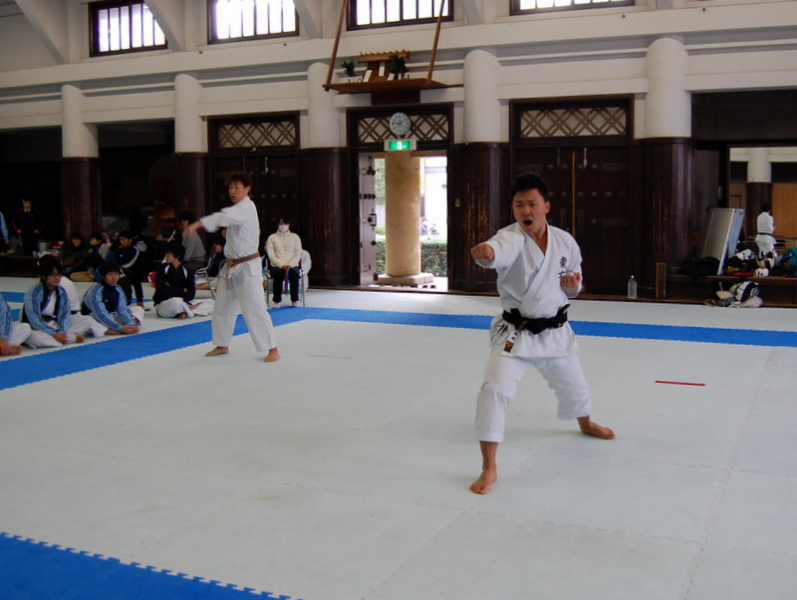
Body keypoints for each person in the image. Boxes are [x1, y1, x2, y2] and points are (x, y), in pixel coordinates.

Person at [468, 172, 615, 495]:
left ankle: (586, 423)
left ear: (546, 206)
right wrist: (487, 253)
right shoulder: (509, 238)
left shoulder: (565, 241)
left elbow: (574, 283)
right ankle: (489, 467)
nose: (526, 211)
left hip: (554, 331)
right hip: (516, 332)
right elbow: (497, 251)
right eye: (519, 205)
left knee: (574, 385)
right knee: (494, 390)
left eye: (532, 204)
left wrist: (573, 286)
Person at [184, 170, 279, 363]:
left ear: (247, 189)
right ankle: (222, 344)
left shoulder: (246, 207)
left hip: (247, 268)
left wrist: (197, 224)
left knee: (254, 308)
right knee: (222, 307)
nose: (232, 191)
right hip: (231, 267)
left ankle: (273, 348)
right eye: (230, 188)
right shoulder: (238, 211)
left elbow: (224, 216)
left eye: (237, 187)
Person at [22, 257, 105, 348]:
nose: (57, 278)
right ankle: (69, 339)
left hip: (54, 324)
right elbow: (34, 320)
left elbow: (64, 314)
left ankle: (62, 337)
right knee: (34, 337)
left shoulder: (61, 291)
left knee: (86, 320)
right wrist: (54, 334)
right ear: (43, 276)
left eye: (59, 275)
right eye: (53, 275)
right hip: (37, 327)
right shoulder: (34, 293)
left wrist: (62, 331)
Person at [81, 261, 143, 335]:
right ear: (103, 277)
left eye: (116, 274)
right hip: (95, 316)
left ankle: (124, 327)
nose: (114, 278)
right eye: (110, 275)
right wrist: (119, 328)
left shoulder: (118, 289)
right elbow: (100, 313)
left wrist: (130, 324)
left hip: (111, 315)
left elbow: (122, 309)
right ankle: (110, 329)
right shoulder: (96, 291)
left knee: (138, 309)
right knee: (88, 323)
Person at [153, 244, 213, 319]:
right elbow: (162, 289)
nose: (166, 256)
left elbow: (191, 294)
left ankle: (184, 311)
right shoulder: (162, 268)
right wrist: (182, 290)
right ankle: (188, 311)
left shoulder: (187, 271)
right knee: (176, 302)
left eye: (168, 254)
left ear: (177, 256)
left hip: (183, 302)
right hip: (164, 304)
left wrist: (172, 290)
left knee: (211, 302)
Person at [265, 216, 302, 307]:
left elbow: (297, 253)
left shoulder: (295, 237)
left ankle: (295, 299)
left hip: (292, 265)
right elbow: (271, 254)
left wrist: (290, 264)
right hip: (277, 265)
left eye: (285, 224)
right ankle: (277, 300)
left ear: (289, 225)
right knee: (278, 273)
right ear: (278, 224)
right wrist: (281, 264)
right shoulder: (272, 238)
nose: (283, 226)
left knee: (294, 273)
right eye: (281, 224)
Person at [114, 230, 146, 310]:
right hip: (120, 272)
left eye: (123, 240)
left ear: (130, 240)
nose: (121, 242)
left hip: (133, 272)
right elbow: (116, 261)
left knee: (136, 281)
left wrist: (121, 269)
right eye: (120, 240)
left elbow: (131, 262)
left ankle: (139, 301)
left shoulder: (134, 250)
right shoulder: (119, 250)